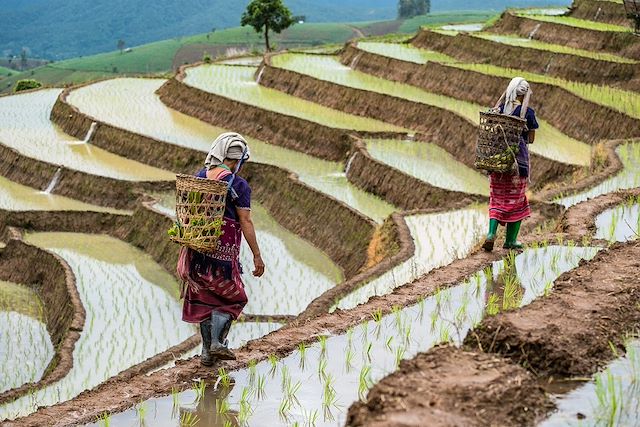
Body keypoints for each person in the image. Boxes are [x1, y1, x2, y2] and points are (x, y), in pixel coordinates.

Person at [178, 132, 265, 366]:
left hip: (198, 248)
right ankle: (217, 342)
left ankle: (207, 353)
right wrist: (257, 255)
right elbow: (245, 221)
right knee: (234, 296)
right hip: (223, 254)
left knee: (204, 295)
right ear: (237, 161)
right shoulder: (238, 184)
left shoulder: (200, 176)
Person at [482, 77, 539, 252]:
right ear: (525, 94)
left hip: (498, 163)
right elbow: (531, 138)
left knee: (497, 199)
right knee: (517, 201)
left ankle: (491, 234)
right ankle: (510, 241)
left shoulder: (498, 109)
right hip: (517, 165)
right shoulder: (527, 113)